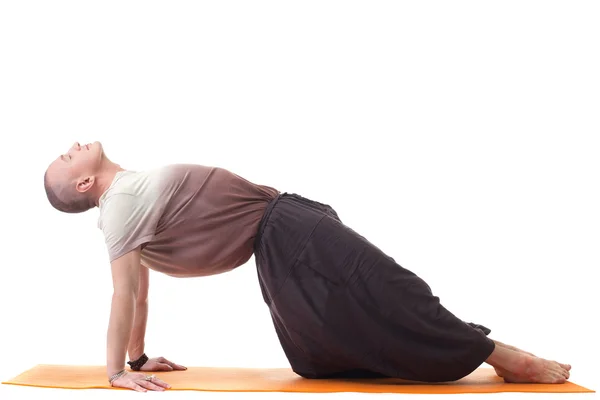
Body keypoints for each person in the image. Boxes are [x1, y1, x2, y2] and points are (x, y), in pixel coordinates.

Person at [43, 141, 571, 393]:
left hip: (284, 232)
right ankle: (500, 355)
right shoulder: (119, 210)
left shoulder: (129, 197)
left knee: (352, 320)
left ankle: (479, 351)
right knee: (376, 303)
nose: (71, 150)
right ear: (85, 186)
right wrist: (117, 370)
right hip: (283, 238)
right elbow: (127, 295)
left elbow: (143, 293)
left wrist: (138, 360)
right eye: (67, 161)